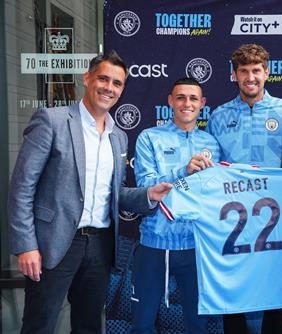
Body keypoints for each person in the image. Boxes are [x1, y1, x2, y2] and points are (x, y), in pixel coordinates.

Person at [7, 50, 172, 334]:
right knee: (39, 325)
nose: (109, 87)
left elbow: (115, 193)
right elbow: (22, 187)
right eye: (103, 79)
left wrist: (148, 196)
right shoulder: (52, 121)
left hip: (99, 246)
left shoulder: (118, 135)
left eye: (117, 83)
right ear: (87, 78)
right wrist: (26, 245)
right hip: (53, 244)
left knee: (89, 326)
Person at [206, 43, 282, 334]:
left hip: (275, 217)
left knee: (274, 289)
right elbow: (210, 167)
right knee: (233, 287)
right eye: (244, 71)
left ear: (267, 72)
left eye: (256, 70)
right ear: (234, 74)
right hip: (232, 217)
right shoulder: (219, 116)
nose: (251, 77)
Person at [132, 77, 220, 334]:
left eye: (193, 98)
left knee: (198, 324)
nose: (187, 103)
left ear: (202, 104)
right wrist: (184, 170)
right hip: (155, 245)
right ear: (170, 101)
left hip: (196, 247)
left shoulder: (212, 143)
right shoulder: (149, 137)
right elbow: (145, 185)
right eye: (180, 97)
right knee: (143, 323)